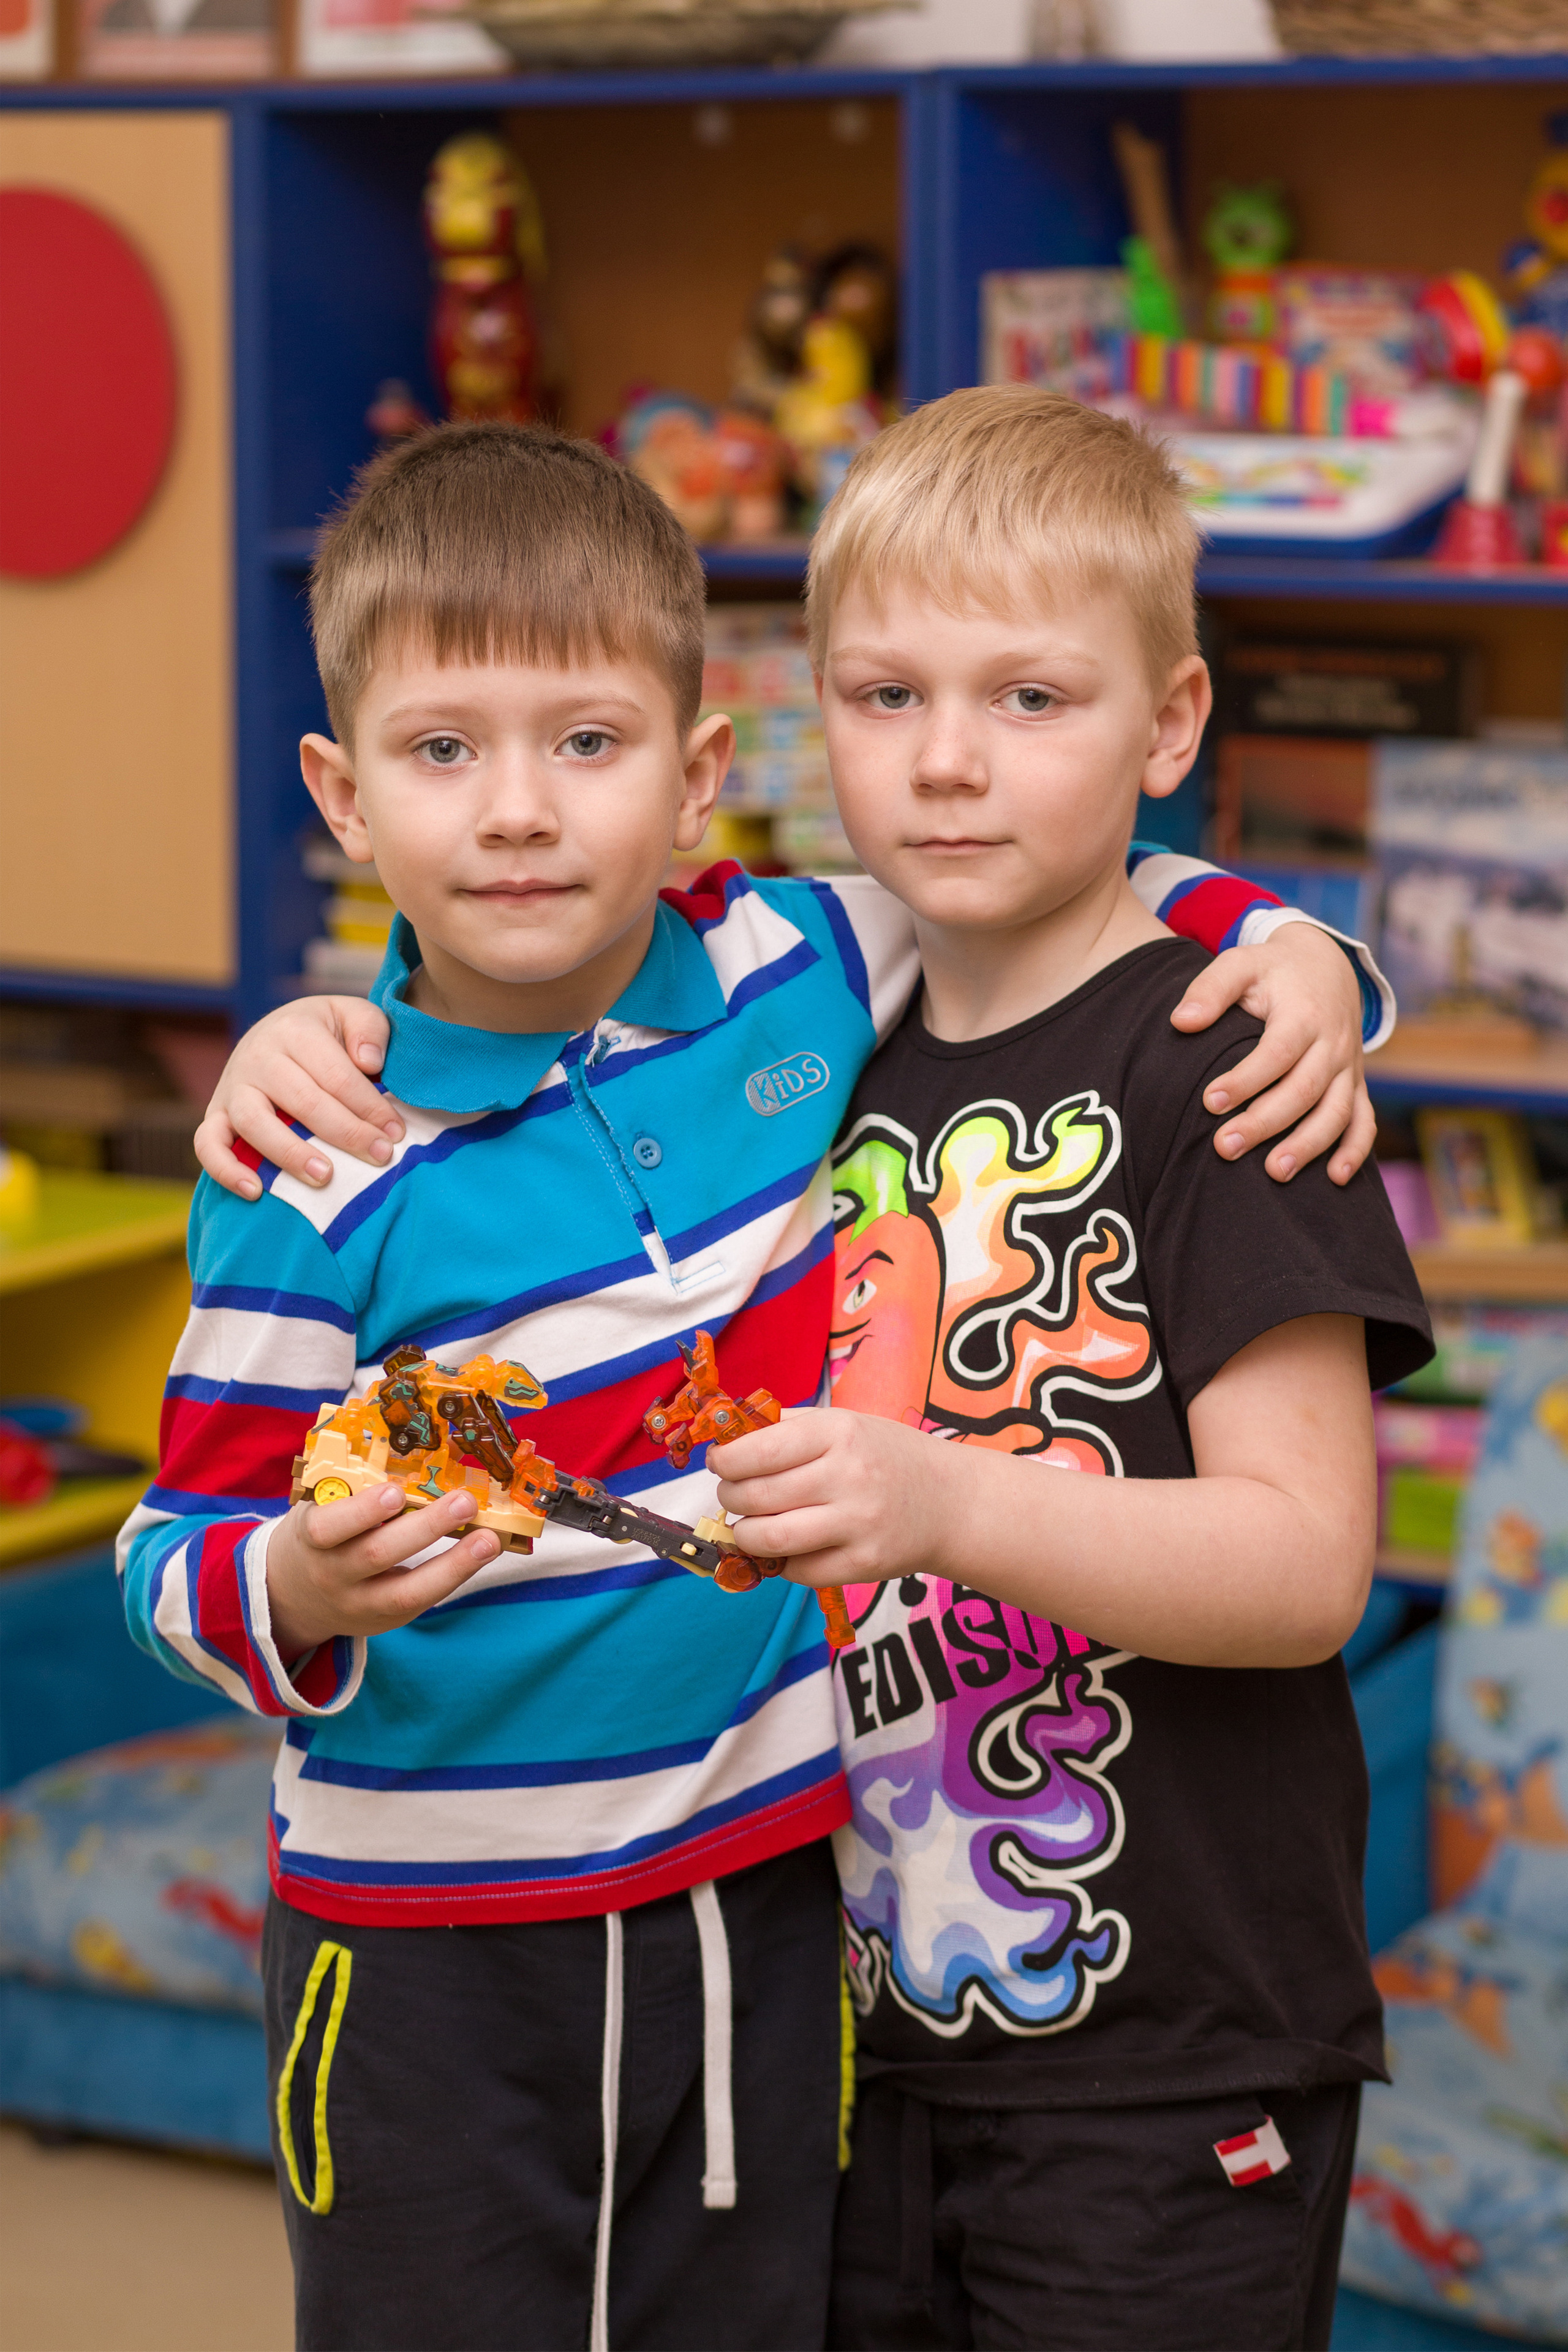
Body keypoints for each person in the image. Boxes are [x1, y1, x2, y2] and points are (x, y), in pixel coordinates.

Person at [162, 418, 1385, 2352]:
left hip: (901, 1960)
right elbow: (188, 1536)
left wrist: (1299, 948)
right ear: (345, 792)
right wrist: (300, 1577)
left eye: (586, 743)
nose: (517, 812)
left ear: (700, 771)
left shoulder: (827, 978)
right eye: (889, 699)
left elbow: (1098, 887)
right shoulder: (351, 1138)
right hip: (563, 1965)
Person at [695, 387, 1434, 2352]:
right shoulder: (799, 1050)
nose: (948, 761)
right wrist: (323, 1038)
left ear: (1170, 727)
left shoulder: (1232, 1064)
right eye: (885, 696)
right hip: (843, 2032)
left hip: (1169, 2057)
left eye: (1032, 699)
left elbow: (1304, 1569)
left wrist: (943, 1498)